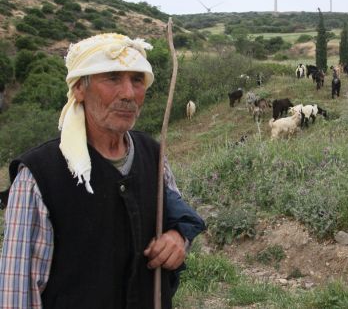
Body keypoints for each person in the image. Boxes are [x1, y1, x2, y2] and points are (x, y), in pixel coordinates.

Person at [0, 33, 205, 309]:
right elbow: (18, 294)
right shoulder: (38, 177)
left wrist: (178, 238)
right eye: (111, 78)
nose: (128, 94)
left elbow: (175, 215)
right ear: (79, 89)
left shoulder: (153, 155)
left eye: (137, 80)